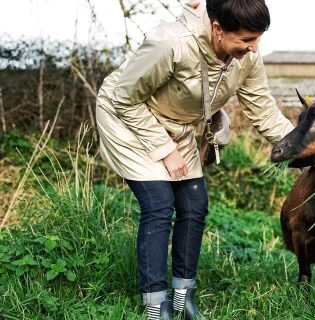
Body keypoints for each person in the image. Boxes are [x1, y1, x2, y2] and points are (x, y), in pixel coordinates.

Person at [95, 0, 293, 318]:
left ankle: (183, 298)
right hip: (128, 117)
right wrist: (167, 152)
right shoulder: (170, 43)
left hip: (177, 124)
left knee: (194, 205)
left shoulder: (247, 59)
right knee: (159, 204)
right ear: (217, 29)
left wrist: (303, 146)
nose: (255, 49)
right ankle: (155, 306)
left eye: (258, 39)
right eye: (246, 40)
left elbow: (264, 110)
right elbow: (124, 98)